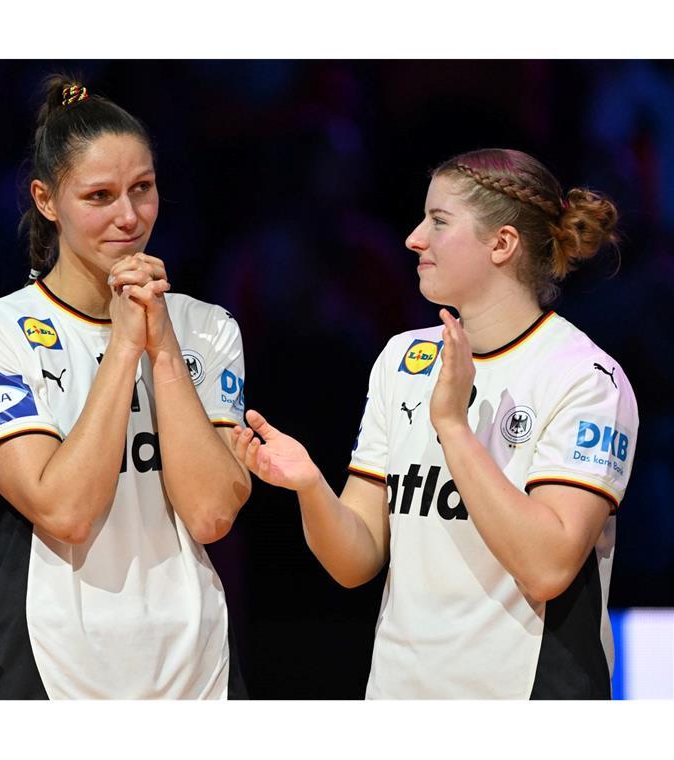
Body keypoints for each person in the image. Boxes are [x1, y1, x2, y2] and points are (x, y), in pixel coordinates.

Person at [233, 148, 638, 698]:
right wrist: (309, 486)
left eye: (439, 222)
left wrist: (452, 426)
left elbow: (547, 568)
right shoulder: (403, 358)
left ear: (502, 244)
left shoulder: (584, 378)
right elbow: (356, 561)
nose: (413, 238)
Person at [0, 76, 252, 699]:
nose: (130, 217)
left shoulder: (206, 327)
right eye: (100, 196)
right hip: (56, 672)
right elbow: (66, 511)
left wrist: (163, 347)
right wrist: (126, 343)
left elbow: (213, 513)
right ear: (47, 200)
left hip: (198, 670)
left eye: (143, 188)